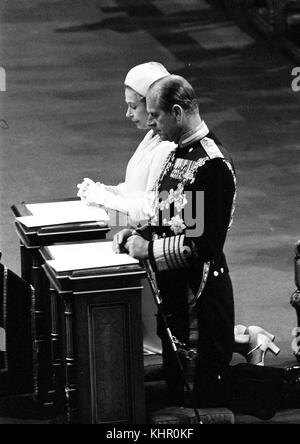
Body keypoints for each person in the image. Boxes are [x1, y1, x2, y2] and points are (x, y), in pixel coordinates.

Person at [113, 74, 300, 418]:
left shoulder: (209, 164)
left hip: (198, 296)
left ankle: (290, 387)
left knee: (203, 395)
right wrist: (135, 233)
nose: (151, 123)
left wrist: (148, 250)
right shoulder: (177, 154)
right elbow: (168, 217)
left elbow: (202, 245)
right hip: (176, 294)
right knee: (180, 384)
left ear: (178, 112)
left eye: (155, 115)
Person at [77, 62, 176, 227]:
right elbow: (136, 189)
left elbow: (150, 211)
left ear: (153, 105)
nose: (128, 114)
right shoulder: (152, 136)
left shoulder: (167, 147)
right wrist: (107, 191)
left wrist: (104, 199)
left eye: (133, 106)